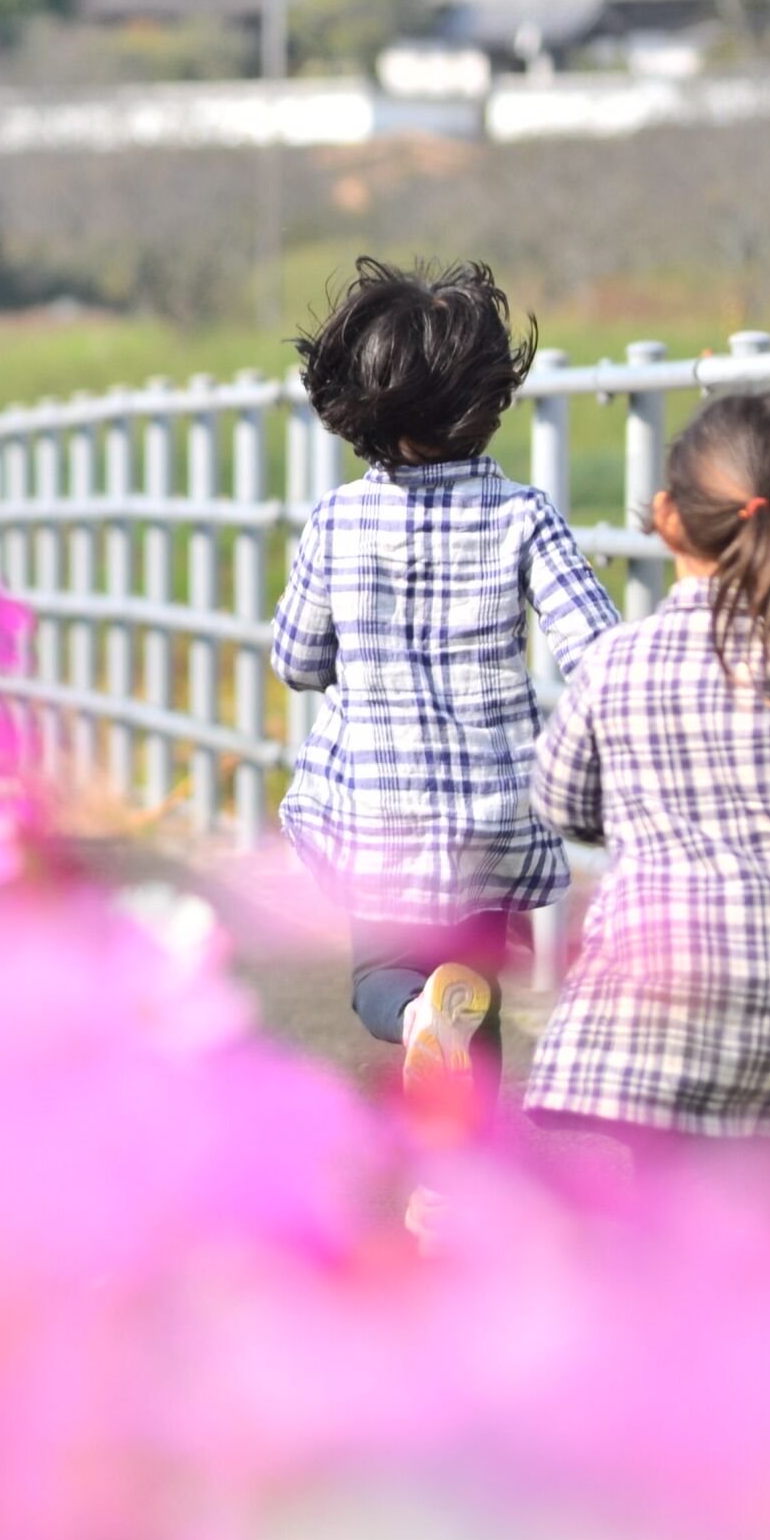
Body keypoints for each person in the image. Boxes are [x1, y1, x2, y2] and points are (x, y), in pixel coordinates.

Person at [522, 387, 770, 1246]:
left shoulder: (614, 661)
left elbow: (556, 795)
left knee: (665, 1169)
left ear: (667, 519)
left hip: (663, 968)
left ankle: (687, 1346)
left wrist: (619, 821)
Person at [272, 258, 618, 1113]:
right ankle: (463, 1185)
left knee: (384, 980)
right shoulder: (523, 515)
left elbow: (296, 658)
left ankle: (416, 1019)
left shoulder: (338, 520)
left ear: (358, 400)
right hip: (490, 815)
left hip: (378, 811)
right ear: (486, 398)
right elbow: (598, 651)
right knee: (476, 987)